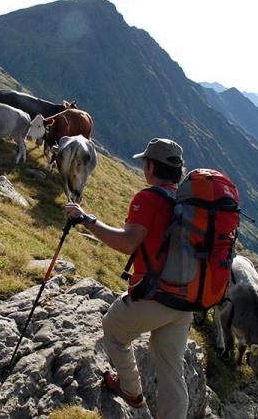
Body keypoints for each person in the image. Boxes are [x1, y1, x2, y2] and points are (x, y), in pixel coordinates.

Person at [64, 138, 190, 418]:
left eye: (144, 161)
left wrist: (87, 219)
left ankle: (130, 390)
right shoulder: (186, 202)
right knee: (171, 369)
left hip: (156, 294)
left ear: (150, 165)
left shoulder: (149, 198)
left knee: (114, 330)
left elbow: (127, 243)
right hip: (187, 300)